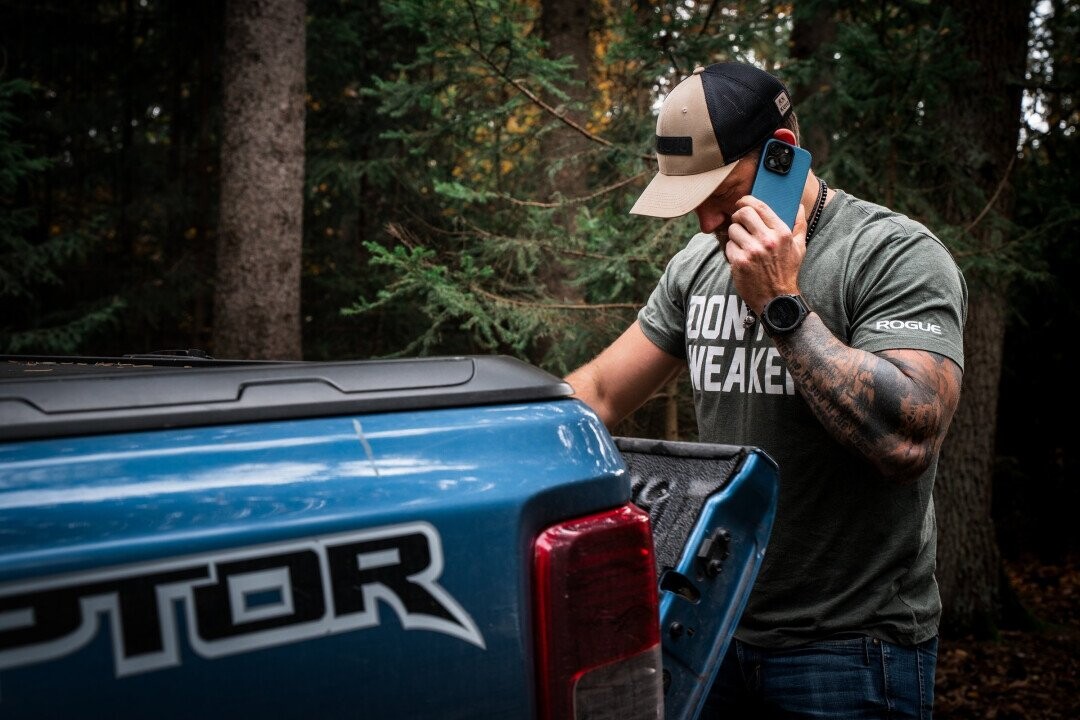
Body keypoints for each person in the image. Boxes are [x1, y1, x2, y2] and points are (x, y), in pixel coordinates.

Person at [565, 62, 967, 718]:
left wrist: (780, 303)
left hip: (850, 646)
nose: (705, 222)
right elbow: (603, 391)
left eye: (721, 193)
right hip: (712, 629)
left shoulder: (893, 254)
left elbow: (908, 439)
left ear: (782, 153)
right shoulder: (697, 265)